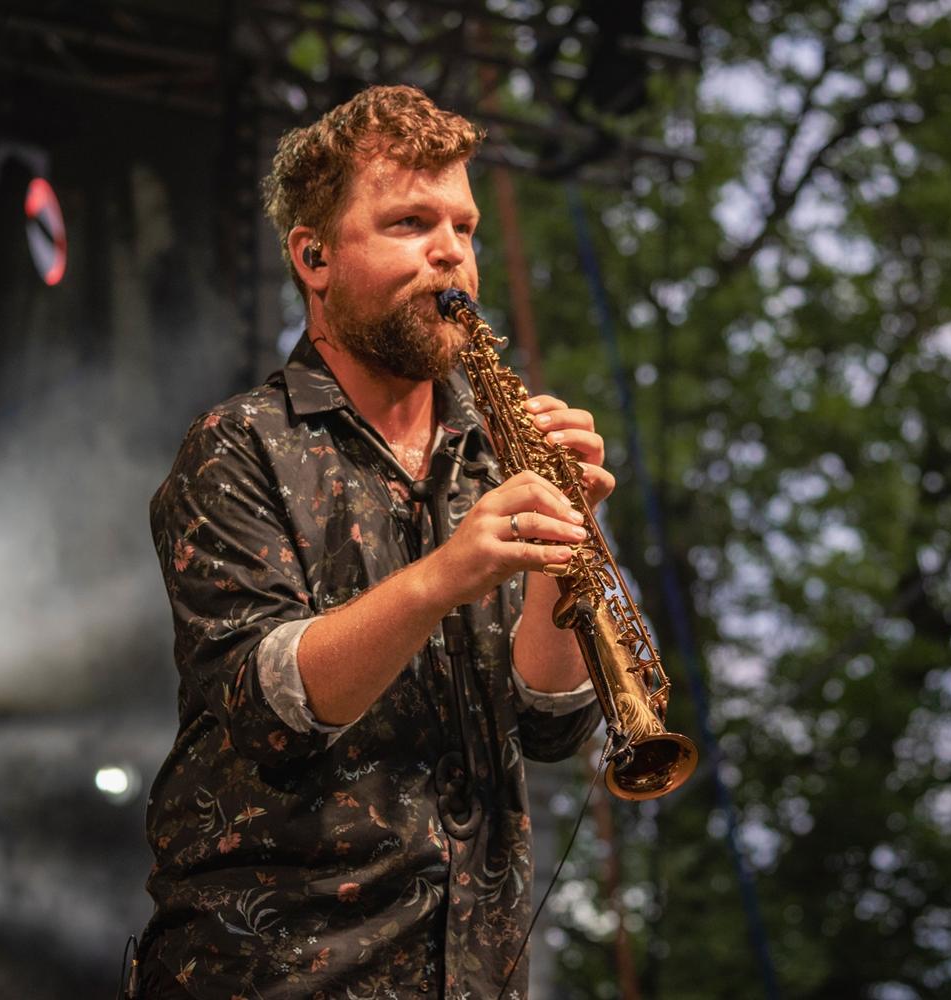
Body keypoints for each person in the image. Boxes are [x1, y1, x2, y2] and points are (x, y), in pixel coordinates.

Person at [135, 84, 610, 1000]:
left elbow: (552, 725)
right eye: (409, 223)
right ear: (314, 257)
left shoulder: (496, 452)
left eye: (464, 227)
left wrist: (568, 548)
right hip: (273, 976)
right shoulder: (239, 446)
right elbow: (267, 708)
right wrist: (444, 576)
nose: (451, 252)